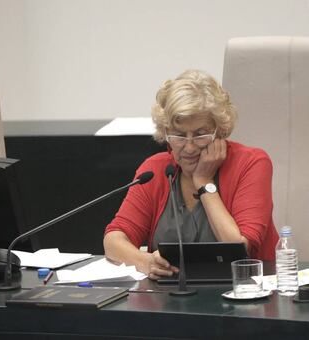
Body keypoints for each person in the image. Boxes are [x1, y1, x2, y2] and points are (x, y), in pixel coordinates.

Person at [103, 69, 279, 279]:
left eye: (200, 135)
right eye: (178, 136)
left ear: (219, 131)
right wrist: (145, 261)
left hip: (245, 294)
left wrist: (204, 182)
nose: (188, 148)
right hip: (169, 298)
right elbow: (113, 241)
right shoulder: (156, 170)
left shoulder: (251, 163)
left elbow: (238, 250)